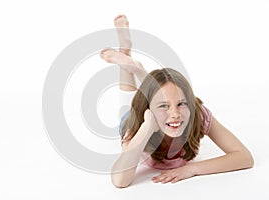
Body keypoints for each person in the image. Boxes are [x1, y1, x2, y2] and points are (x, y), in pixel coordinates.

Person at [100, 15, 254, 188]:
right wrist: (147, 129)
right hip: (138, 117)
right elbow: (120, 181)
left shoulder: (197, 113)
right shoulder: (136, 123)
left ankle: (138, 69)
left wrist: (192, 169)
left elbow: (244, 157)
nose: (175, 114)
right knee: (127, 99)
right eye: (164, 106)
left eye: (182, 103)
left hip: (156, 106)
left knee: (161, 93)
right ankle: (126, 55)